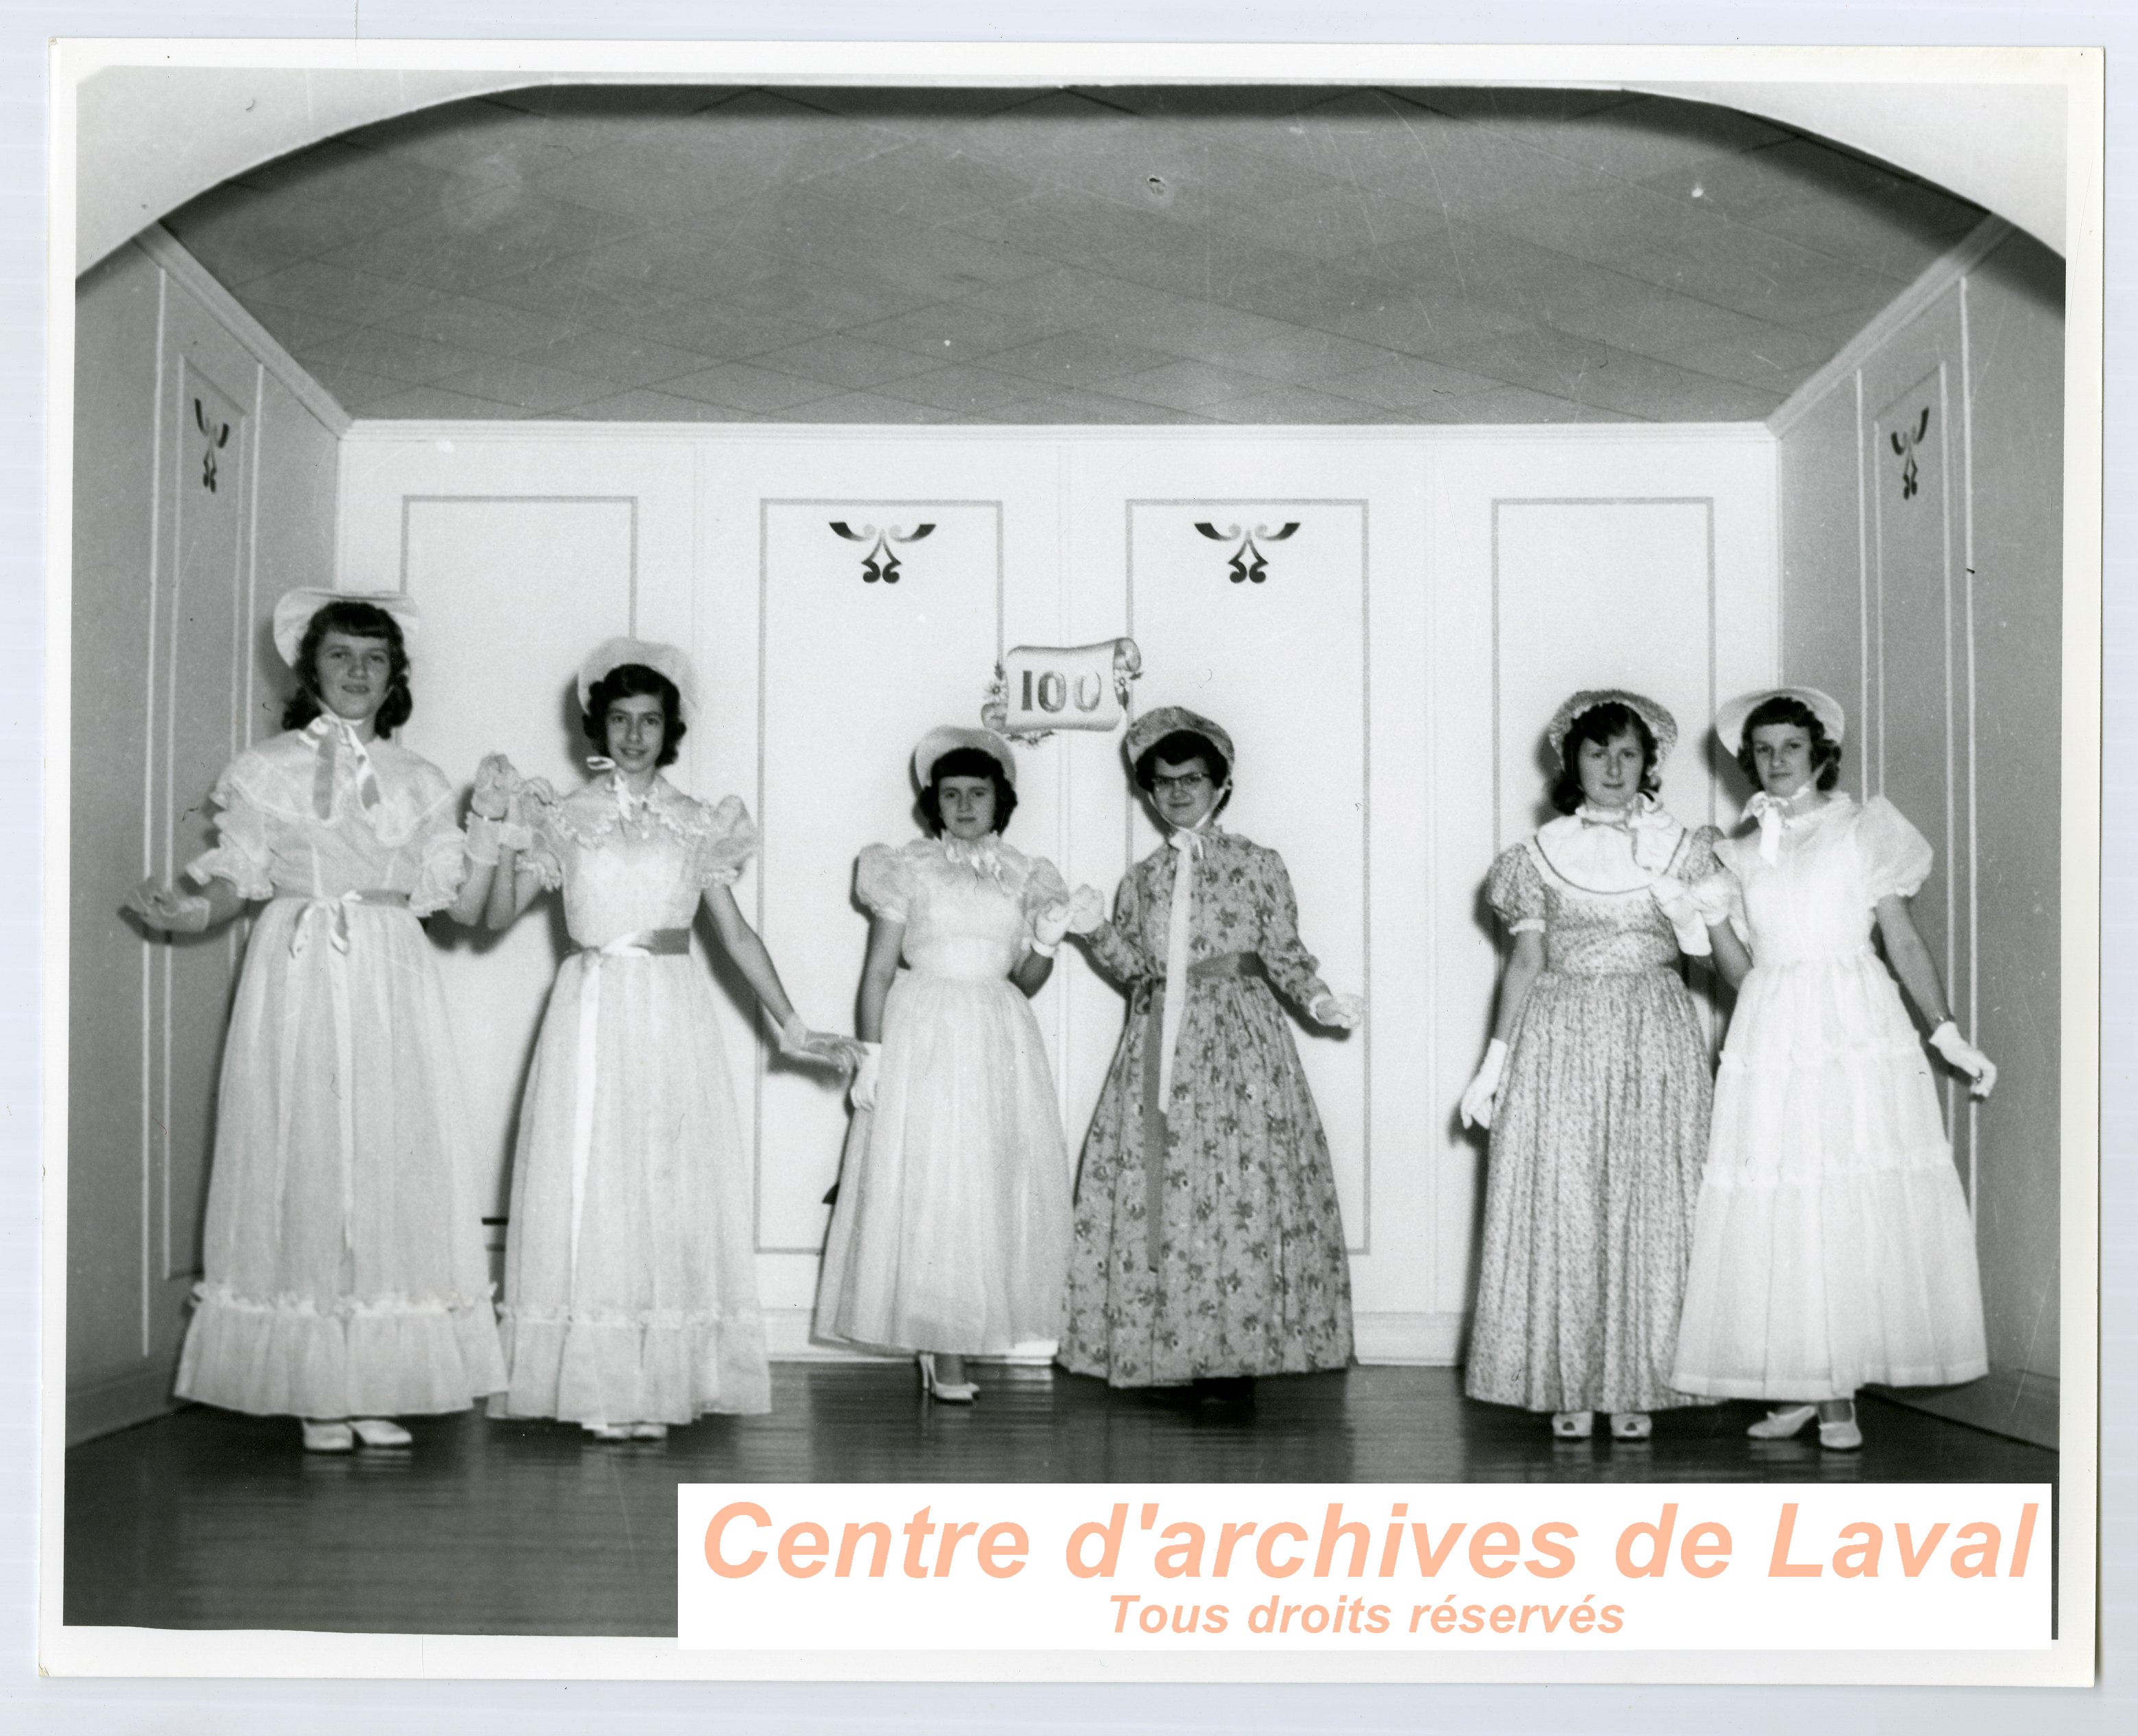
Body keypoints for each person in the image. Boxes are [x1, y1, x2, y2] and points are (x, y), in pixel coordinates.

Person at [124, 590, 510, 1453]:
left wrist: (488, 828)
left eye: (374, 659)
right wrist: (193, 912)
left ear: (394, 674)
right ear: (311, 669)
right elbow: (239, 877)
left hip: (387, 971)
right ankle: (313, 1390)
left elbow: (464, 907)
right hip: (298, 962)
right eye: (340, 657)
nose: (358, 673)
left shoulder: (419, 781)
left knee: (383, 1161)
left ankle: (372, 1379)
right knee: (303, 1155)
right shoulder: (266, 769)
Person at [482, 639, 853, 1440]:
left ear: (670, 727)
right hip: (591, 1010)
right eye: (619, 719)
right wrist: (507, 829)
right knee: (594, 1180)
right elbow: (496, 914)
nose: (634, 735)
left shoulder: (697, 822)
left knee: (663, 1179)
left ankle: (660, 1379)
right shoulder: (565, 817)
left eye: (650, 720)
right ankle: (600, 1382)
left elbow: (737, 937)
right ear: (599, 724)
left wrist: (794, 1026)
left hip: (672, 1012)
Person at [1668, 687, 1997, 1450]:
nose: (1775, 761)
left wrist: (1945, 1034)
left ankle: (1835, 1390)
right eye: (1762, 749)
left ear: (1818, 753)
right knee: (1779, 1202)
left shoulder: (1859, 830)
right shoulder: (1739, 852)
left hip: (1850, 1027)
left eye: (1790, 745)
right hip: (1772, 1028)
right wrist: (1709, 915)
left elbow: (1902, 941)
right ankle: (1800, 1381)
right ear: (1745, 760)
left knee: (1838, 1195)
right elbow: (1741, 975)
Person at [1057, 705, 1365, 1396]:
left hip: (1239, 1044)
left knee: (1242, 1183)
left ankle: (1239, 1355)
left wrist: (1319, 1000)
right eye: (1160, 782)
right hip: (1160, 1038)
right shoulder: (1140, 880)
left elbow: (1283, 955)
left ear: (1220, 784)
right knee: (1164, 1184)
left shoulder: (1257, 865)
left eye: (1191, 778)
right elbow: (1137, 968)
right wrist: (1091, 931)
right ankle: (1173, 1348)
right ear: (1146, 790)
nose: (1175, 792)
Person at [1457, 690, 1721, 1442]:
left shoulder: (1684, 846)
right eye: (1597, 751)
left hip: (1655, 1034)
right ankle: (1563, 1382)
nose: (1612, 766)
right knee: (1565, 1199)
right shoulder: (1536, 855)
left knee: (1651, 1203)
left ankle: (1642, 1381)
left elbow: (1707, 954)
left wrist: (1685, 912)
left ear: (1649, 762)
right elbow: (1525, 961)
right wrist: (1491, 1066)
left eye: (1628, 752)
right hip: (1560, 1034)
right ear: (1569, 760)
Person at [813, 727, 1075, 1402]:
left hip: (996, 1030)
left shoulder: (1024, 872)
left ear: (999, 800)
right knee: (933, 1180)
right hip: (924, 1028)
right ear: (934, 801)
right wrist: (869, 1055)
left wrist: (1047, 938)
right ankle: (940, 1343)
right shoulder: (908, 867)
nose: (963, 805)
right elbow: (876, 970)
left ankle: (964, 1331)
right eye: (950, 793)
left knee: (988, 1179)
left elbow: (1023, 978)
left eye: (977, 793)